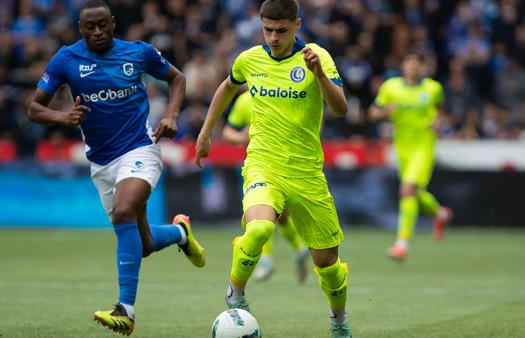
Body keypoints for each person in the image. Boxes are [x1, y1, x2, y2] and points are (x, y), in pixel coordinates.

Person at [28, 1, 205, 336]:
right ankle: (181, 232)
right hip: (101, 162)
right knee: (144, 243)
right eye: (89, 27)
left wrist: (171, 115)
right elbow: (34, 108)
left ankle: (125, 311)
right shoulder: (66, 59)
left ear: (112, 23)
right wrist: (62, 117)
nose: (97, 32)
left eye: (102, 25)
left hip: (141, 149)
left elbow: (177, 78)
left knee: (125, 212)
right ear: (80, 29)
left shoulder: (137, 53)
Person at [195, 1, 352, 336]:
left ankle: (339, 322)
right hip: (262, 165)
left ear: (297, 24)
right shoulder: (250, 59)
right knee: (261, 229)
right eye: (267, 29)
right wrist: (205, 132)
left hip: (307, 173)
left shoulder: (316, 56)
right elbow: (227, 86)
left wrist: (319, 76)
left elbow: (341, 109)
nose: (273, 37)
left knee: (328, 265)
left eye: (281, 30)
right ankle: (235, 293)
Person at [369, 52, 453, 261]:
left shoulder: (433, 89)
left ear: (422, 67)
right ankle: (440, 214)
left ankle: (401, 244)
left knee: (407, 189)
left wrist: (439, 122)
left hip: (424, 145)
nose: (413, 67)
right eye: (409, 63)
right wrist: (384, 112)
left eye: (417, 64)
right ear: (403, 67)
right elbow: (372, 113)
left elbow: (442, 111)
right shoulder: (391, 87)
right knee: (414, 191)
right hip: (402, 146)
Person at [223, 91, 309, 283]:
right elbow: (227, 132)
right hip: (257, 166)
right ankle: (276, 256)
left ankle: (292, 251)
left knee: (280, 216)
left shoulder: (283, 93)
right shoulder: (245, 100)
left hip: (285, 164)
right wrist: (242, 137)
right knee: (264, 213)